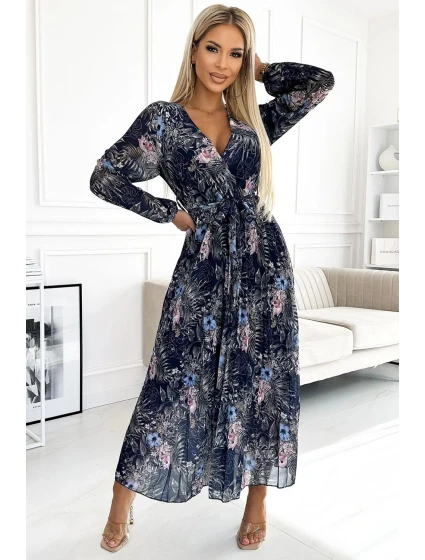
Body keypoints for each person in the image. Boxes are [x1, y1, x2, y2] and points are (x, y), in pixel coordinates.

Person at [90, 4, 335, 553]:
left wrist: (261, 69)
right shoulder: (163, 120)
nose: (222, 63)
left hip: (264, 266)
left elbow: (319, 85)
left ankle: (257, 502)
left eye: (235, 53)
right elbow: (104, 176)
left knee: (264, 387)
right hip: (203, 268)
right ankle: (121, 503)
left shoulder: (254, 121)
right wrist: (169, 213)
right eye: (213, 48)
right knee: (170, 383)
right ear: (194, 49)